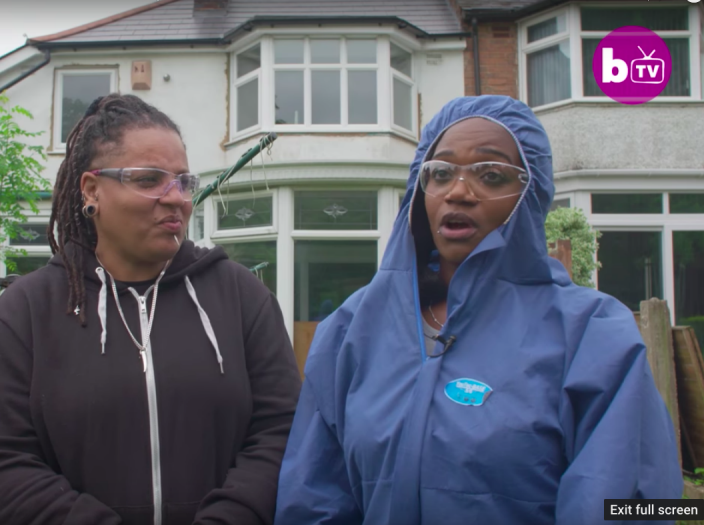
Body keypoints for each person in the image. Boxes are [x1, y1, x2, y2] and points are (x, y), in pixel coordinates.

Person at [274, 95, 682, 524]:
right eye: (442, 172)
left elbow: (637, 502)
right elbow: (313, 495)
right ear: (419, 189)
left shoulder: (592, 334)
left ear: (531, 192)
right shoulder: (351, 330)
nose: (459, 191)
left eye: (490, 175)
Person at [0, 93, 302, 525]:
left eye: (183, 181)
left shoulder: (240, 298)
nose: (175, 197)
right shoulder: (27, 311)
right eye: (148, 180)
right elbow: (0, 460)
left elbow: (281, 431)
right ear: (91, 191)